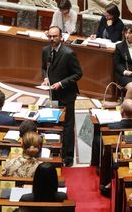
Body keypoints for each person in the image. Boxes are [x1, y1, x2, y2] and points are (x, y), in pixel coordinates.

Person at [41, 26, 82, 167]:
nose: (52, 39)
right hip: (53, 94)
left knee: (68, 126)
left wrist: (61, 83)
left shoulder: (69, 53)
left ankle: (68, 157)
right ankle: (56, 150)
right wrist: (46, 77)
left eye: (55, 36)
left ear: (61, 37)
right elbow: (43, 68)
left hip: (67, 95)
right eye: (50, 37)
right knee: (55, 123)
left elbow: (78, 74)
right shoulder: (45, 50)